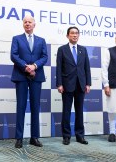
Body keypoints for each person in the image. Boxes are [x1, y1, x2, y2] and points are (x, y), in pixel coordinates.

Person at [10, 15, 48, 148]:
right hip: (21, 76)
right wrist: (26, 67)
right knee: (20, 107)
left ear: (34, 24)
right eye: (25, 22)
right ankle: (19, 138)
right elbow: (13, 55)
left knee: (35, 107)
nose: (27, 24)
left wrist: (34, 66)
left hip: (36, 76)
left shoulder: (41, 40)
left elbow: (44, 57)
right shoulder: (16, 39)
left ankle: (34, 137)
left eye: (29, 22)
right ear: (23, 25)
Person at [56, 26, 91, 145]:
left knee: (79, 111)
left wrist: (88, 83)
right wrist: (59, 84)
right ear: (67, 36)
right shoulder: (62, 49)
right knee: (66, 111)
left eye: (76, 33)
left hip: (81, 84)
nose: (74, 35)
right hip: (66, 85)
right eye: (72, 33)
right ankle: (66, 136)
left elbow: (87, 68)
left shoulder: (83, 49)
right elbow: (59, 68)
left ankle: (80, 135)